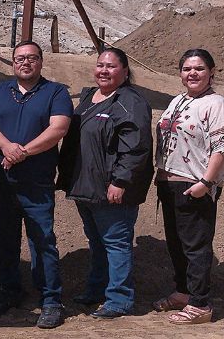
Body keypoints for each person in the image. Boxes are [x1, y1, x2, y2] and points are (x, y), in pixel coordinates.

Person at [0, 40, 73, 329]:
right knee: (4, 238)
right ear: (12, 62)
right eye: (20, 58)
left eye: (32, 58)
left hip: (37, 182)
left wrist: (21, 152)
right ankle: (9, 290)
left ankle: (50, 300)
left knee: (42, 240)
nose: (25, 62)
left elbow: (58, 128)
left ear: (41, 62)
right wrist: (7, 147)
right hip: (4, 180)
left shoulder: (56, 92)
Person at [57, 48, 153, 319]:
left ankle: (120, 298)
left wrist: (120, 181)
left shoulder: (130, 103)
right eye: (100, 65)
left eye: (111, 66)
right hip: (85, 185)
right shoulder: (88, 97)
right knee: (97, 241)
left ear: (124, 71)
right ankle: (98, 288)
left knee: (116, 242)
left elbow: (136, 149)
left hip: (111, 188)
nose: (104, 71)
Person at [153, 48, 224, 325]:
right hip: (169, 181)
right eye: (187, 69)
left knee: (196, 246)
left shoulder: (216, 104)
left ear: (212, 72)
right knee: (176, 244)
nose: (193, 73)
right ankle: (183, 292)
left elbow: (220, 147)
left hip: (194, 183)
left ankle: (200, 304)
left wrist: (206, 182)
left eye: (199, 68)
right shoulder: (177, 100)